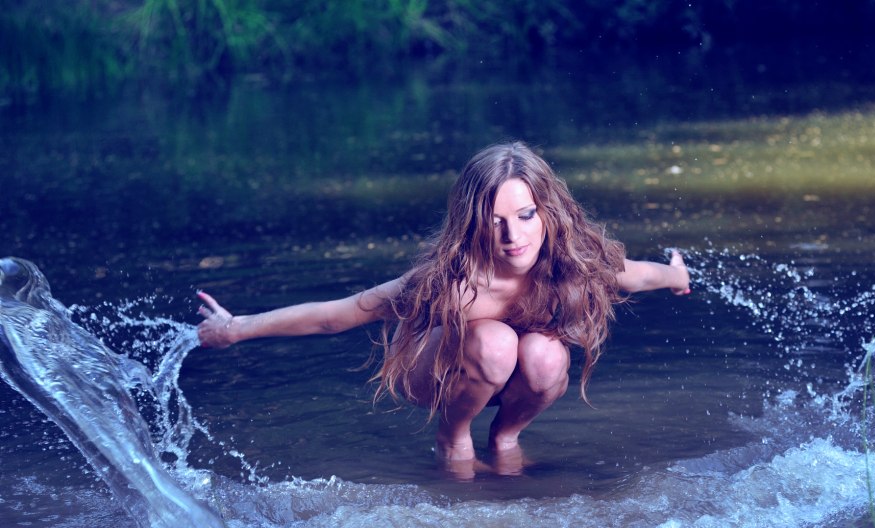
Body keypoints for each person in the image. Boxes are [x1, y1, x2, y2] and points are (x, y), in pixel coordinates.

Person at [197, 141, 690, 478]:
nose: (512, 237)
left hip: (505, 375)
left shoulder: (572, 263)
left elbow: (636, 273)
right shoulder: (449, 283)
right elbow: (339, 314)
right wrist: (235, 328)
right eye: (494, 221)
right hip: (433, 371)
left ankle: (504, 439)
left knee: (547, 355)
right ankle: (453, 440)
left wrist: (676, 275)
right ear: (473, 223)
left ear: (549, 213)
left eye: (524, 216)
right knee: (495, 341)